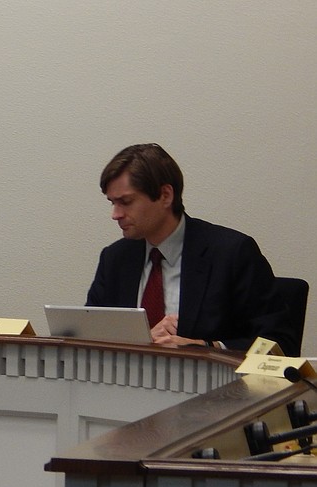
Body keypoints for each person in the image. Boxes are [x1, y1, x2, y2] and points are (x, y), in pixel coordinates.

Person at [86, 143, 295, 353]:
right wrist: (143, 340)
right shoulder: (115, 259)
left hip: (211, 374)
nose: (115, 214)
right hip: (129, 375)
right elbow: (88, 338)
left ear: (165, 195)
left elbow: (280, 342)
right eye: (112, 203)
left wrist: (206, 348)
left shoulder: (231, 253)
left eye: (126, 202)